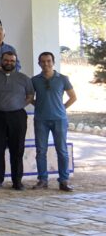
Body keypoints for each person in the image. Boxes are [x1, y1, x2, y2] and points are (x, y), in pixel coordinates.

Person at [0, 51, 34, 190]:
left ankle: (17, 181)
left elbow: (30, 95)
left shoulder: (24, 78)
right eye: (6, 60)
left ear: (16, 62)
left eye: (12, 61)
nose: (9, 63)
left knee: (17, 149)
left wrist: (20, 105)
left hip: (17, 117)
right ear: (1, 61)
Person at [32, 51, 77, 191]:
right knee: (41, 151)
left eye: (48, 61)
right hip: (41, 119)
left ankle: (64, 180)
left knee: (62, 151)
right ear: (39, 63)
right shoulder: (34, 80)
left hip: (59, 119)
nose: (46, 64)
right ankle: (42, 180)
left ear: (53, 62)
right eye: (43, 61)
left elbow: (73, 97)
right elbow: (29, 97)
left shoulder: (63, 78)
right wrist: (38, 105)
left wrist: (62, 108)